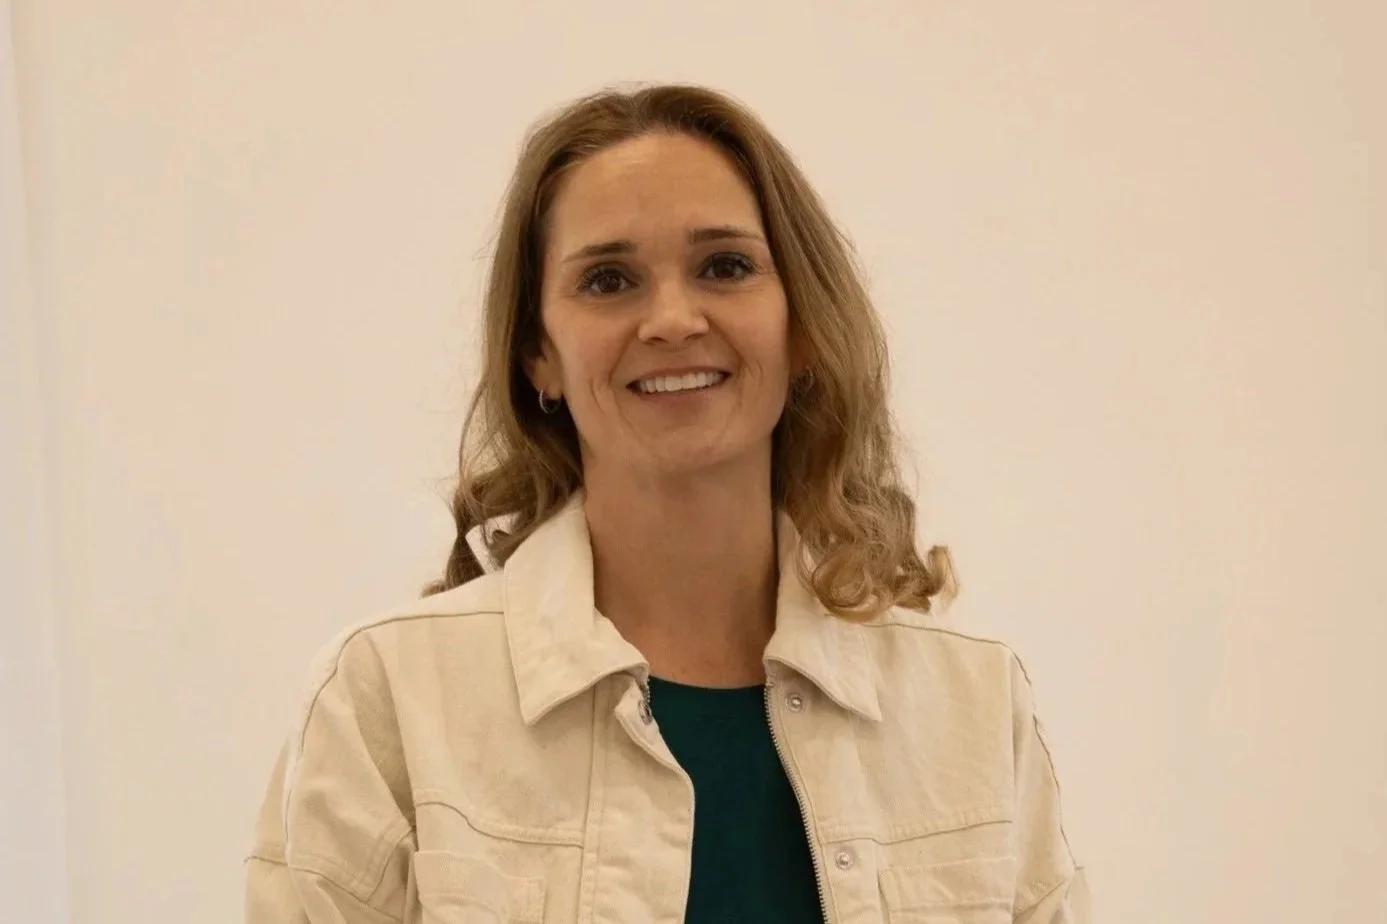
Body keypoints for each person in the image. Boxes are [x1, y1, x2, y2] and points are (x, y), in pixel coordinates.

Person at [244, 83, 1090, 923]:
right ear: (537, 354)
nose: (673, 319)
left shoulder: (974, 702)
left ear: (800, 327)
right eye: (608, 280)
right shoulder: (387, 698)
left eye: (724, 266)